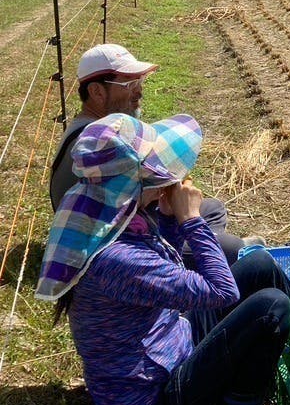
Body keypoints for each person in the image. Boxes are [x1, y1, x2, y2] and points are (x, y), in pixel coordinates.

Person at [36, 113, 290, 405]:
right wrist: (191, 220)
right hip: (155, 394)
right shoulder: (116, 259)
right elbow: (222, 291)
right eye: (155, 172)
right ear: (134, 183)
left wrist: (169, 218)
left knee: (259, 263)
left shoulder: (100, 208)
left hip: (169, 342)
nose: (164, 178)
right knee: (272, 307)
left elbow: (164, 268)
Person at [49, 44, 247, 263]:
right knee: (233, 248)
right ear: (96, 91)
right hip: (113, 243)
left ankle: (209, 250)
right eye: (129, 83)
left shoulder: (99, 129)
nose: (139, 91)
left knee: (213, 208)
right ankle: (208, 260)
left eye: (140, 81)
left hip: (130, 220)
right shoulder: (99, 142)